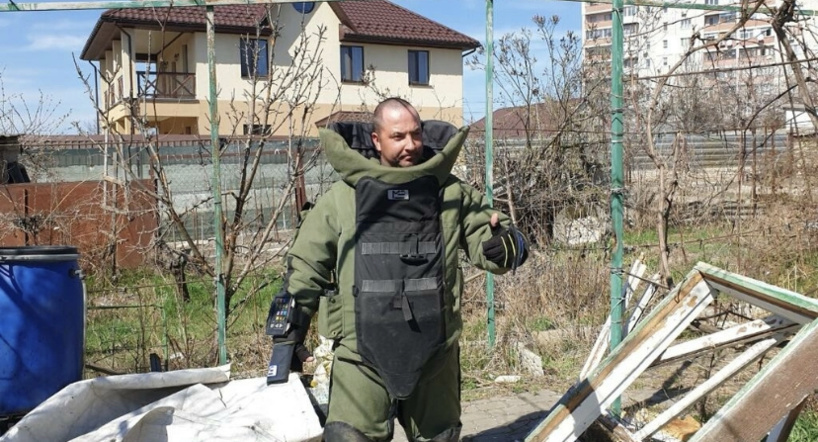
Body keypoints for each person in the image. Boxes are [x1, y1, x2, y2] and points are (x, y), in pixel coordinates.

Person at [272, 97, 528, 442]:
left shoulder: (451, 193)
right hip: (360, 352)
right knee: (349, 437)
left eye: (416, 134)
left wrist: (505, 244)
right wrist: (288, 337)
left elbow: (493, 241)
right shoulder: (342, 198)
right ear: (376, 139)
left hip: (435, 351)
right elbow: (305, 267)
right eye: (398, 136)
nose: (411, 144)